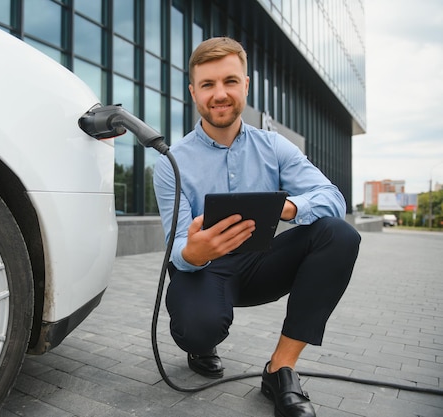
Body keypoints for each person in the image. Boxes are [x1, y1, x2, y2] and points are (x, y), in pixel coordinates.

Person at [153, 37, 361, 417]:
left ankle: (280, 369)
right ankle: (201, 344)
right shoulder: (171, 163)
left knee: (340, 234)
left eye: (230, 81)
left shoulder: (275, 147)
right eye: (208, 84)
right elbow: (177, 242)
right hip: (206, 269)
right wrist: (191, 252)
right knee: (199, 328)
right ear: (193, 92)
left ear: (245, 85)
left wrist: (290, 207)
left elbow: (332, 197)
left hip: (263, 262)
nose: (220, 93)